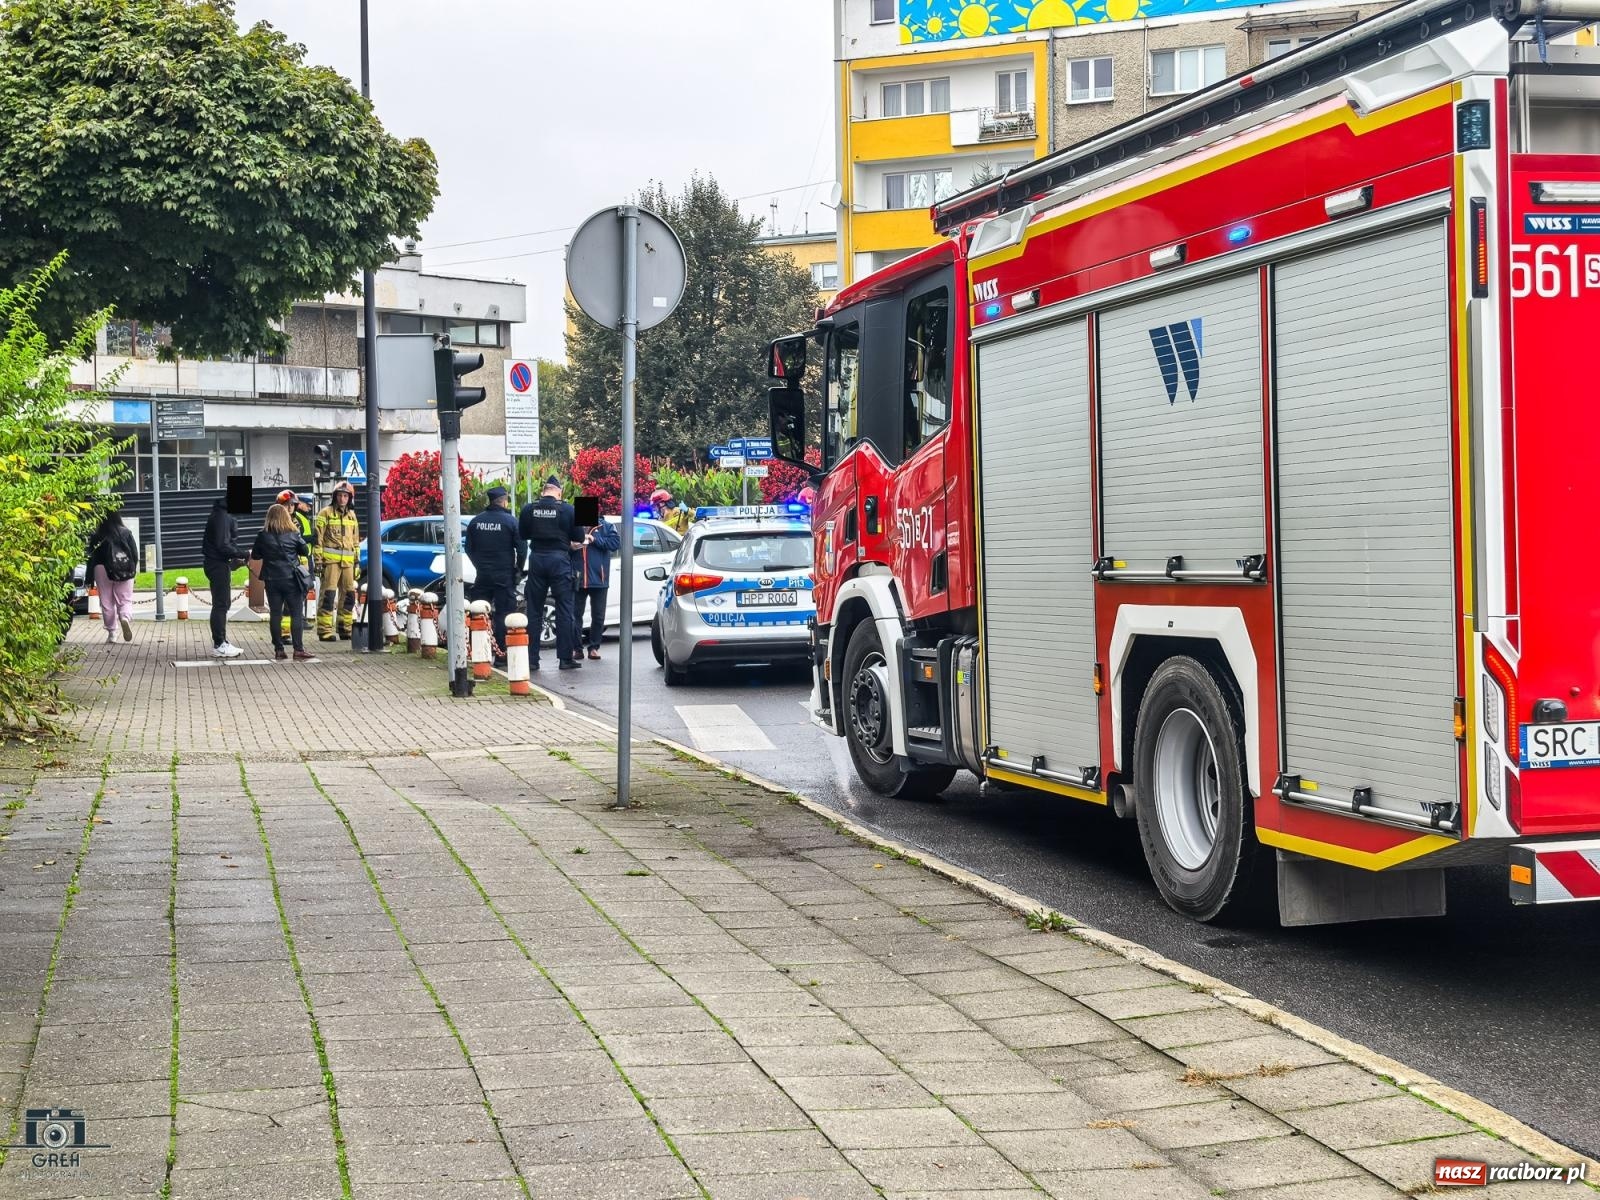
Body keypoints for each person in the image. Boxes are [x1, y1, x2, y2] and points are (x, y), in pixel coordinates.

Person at [519, 475, 580, 671]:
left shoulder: (529, 509)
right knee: (564, 610)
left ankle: (532, 659)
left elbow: (523, 534)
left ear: (543, 491)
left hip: (536, 559)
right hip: (560, 560)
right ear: (559, 492)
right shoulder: (568, 510)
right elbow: (579, 536)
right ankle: (564, 659)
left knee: (534, 610)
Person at [465, 485, 524, 667]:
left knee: (479, 613)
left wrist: (479, 565)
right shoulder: (511, 522)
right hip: (504, 576)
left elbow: (468, 548)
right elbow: (522, 549)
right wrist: (518, 569)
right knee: (504, 614)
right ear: (504, 500)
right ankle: (501, 656)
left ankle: (479, 653)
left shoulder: (476, 522)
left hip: (482, 576)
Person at [251, 503, 316, 661]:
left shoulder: (263, 535)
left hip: (272, 580)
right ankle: (298, 650)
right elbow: (305, 551)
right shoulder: (293, 533)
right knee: (295, 614)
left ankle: (279, 650)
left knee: (275, 614)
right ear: (286, 517)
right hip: (291, 579)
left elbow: (256, 555)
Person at [314, 481, 360, 641]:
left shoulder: (352, 516)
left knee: (348, 597)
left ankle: (344, 629)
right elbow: (317, 540)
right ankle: (324, 631)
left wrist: (357, 562)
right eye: (340, 495)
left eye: (345, 496)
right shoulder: (325, 513)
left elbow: (355, 541)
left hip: (348, 563)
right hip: (330, 563)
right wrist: (318, 561)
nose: (342, 499)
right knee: (328, 596)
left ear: (350, 498)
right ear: (335, 497)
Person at [571, 517, 621, 660]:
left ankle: (594, 647)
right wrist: (572, 546)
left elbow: (615, 544)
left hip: (599, 578)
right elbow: (563, 544)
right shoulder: (574, 526)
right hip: (578, 577)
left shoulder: (606, 527)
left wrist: (595, 540)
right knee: (575, 615)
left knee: (598, 616)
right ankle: (577, 648)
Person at [85, 511, 138, 645]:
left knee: (107, 602)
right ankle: (124, 618)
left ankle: (112, 633)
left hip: (101, 568)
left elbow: (91, 558)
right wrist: (133, 569)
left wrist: (89, 578)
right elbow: (134, 553)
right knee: (125, 599)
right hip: (123, 568)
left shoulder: (97, 535)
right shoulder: (126, 533)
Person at [201, 496, 245, 659]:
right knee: (221, 604)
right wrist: (242, 553)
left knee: (222, 603)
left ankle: (222, 642)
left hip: (216, 563)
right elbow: (223, 545)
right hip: (217, 564)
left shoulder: (220, 514)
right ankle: (219, 644)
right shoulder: (222, 517)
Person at [275, 490, 316, 641]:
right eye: (287, 505)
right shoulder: (277, 522)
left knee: (297, 599)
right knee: (286, 602)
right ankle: (284, 634)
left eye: (292, 505)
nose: (290, 507)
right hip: (284, 566)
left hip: (298, 565)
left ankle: (292, 634)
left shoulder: (297, 520)